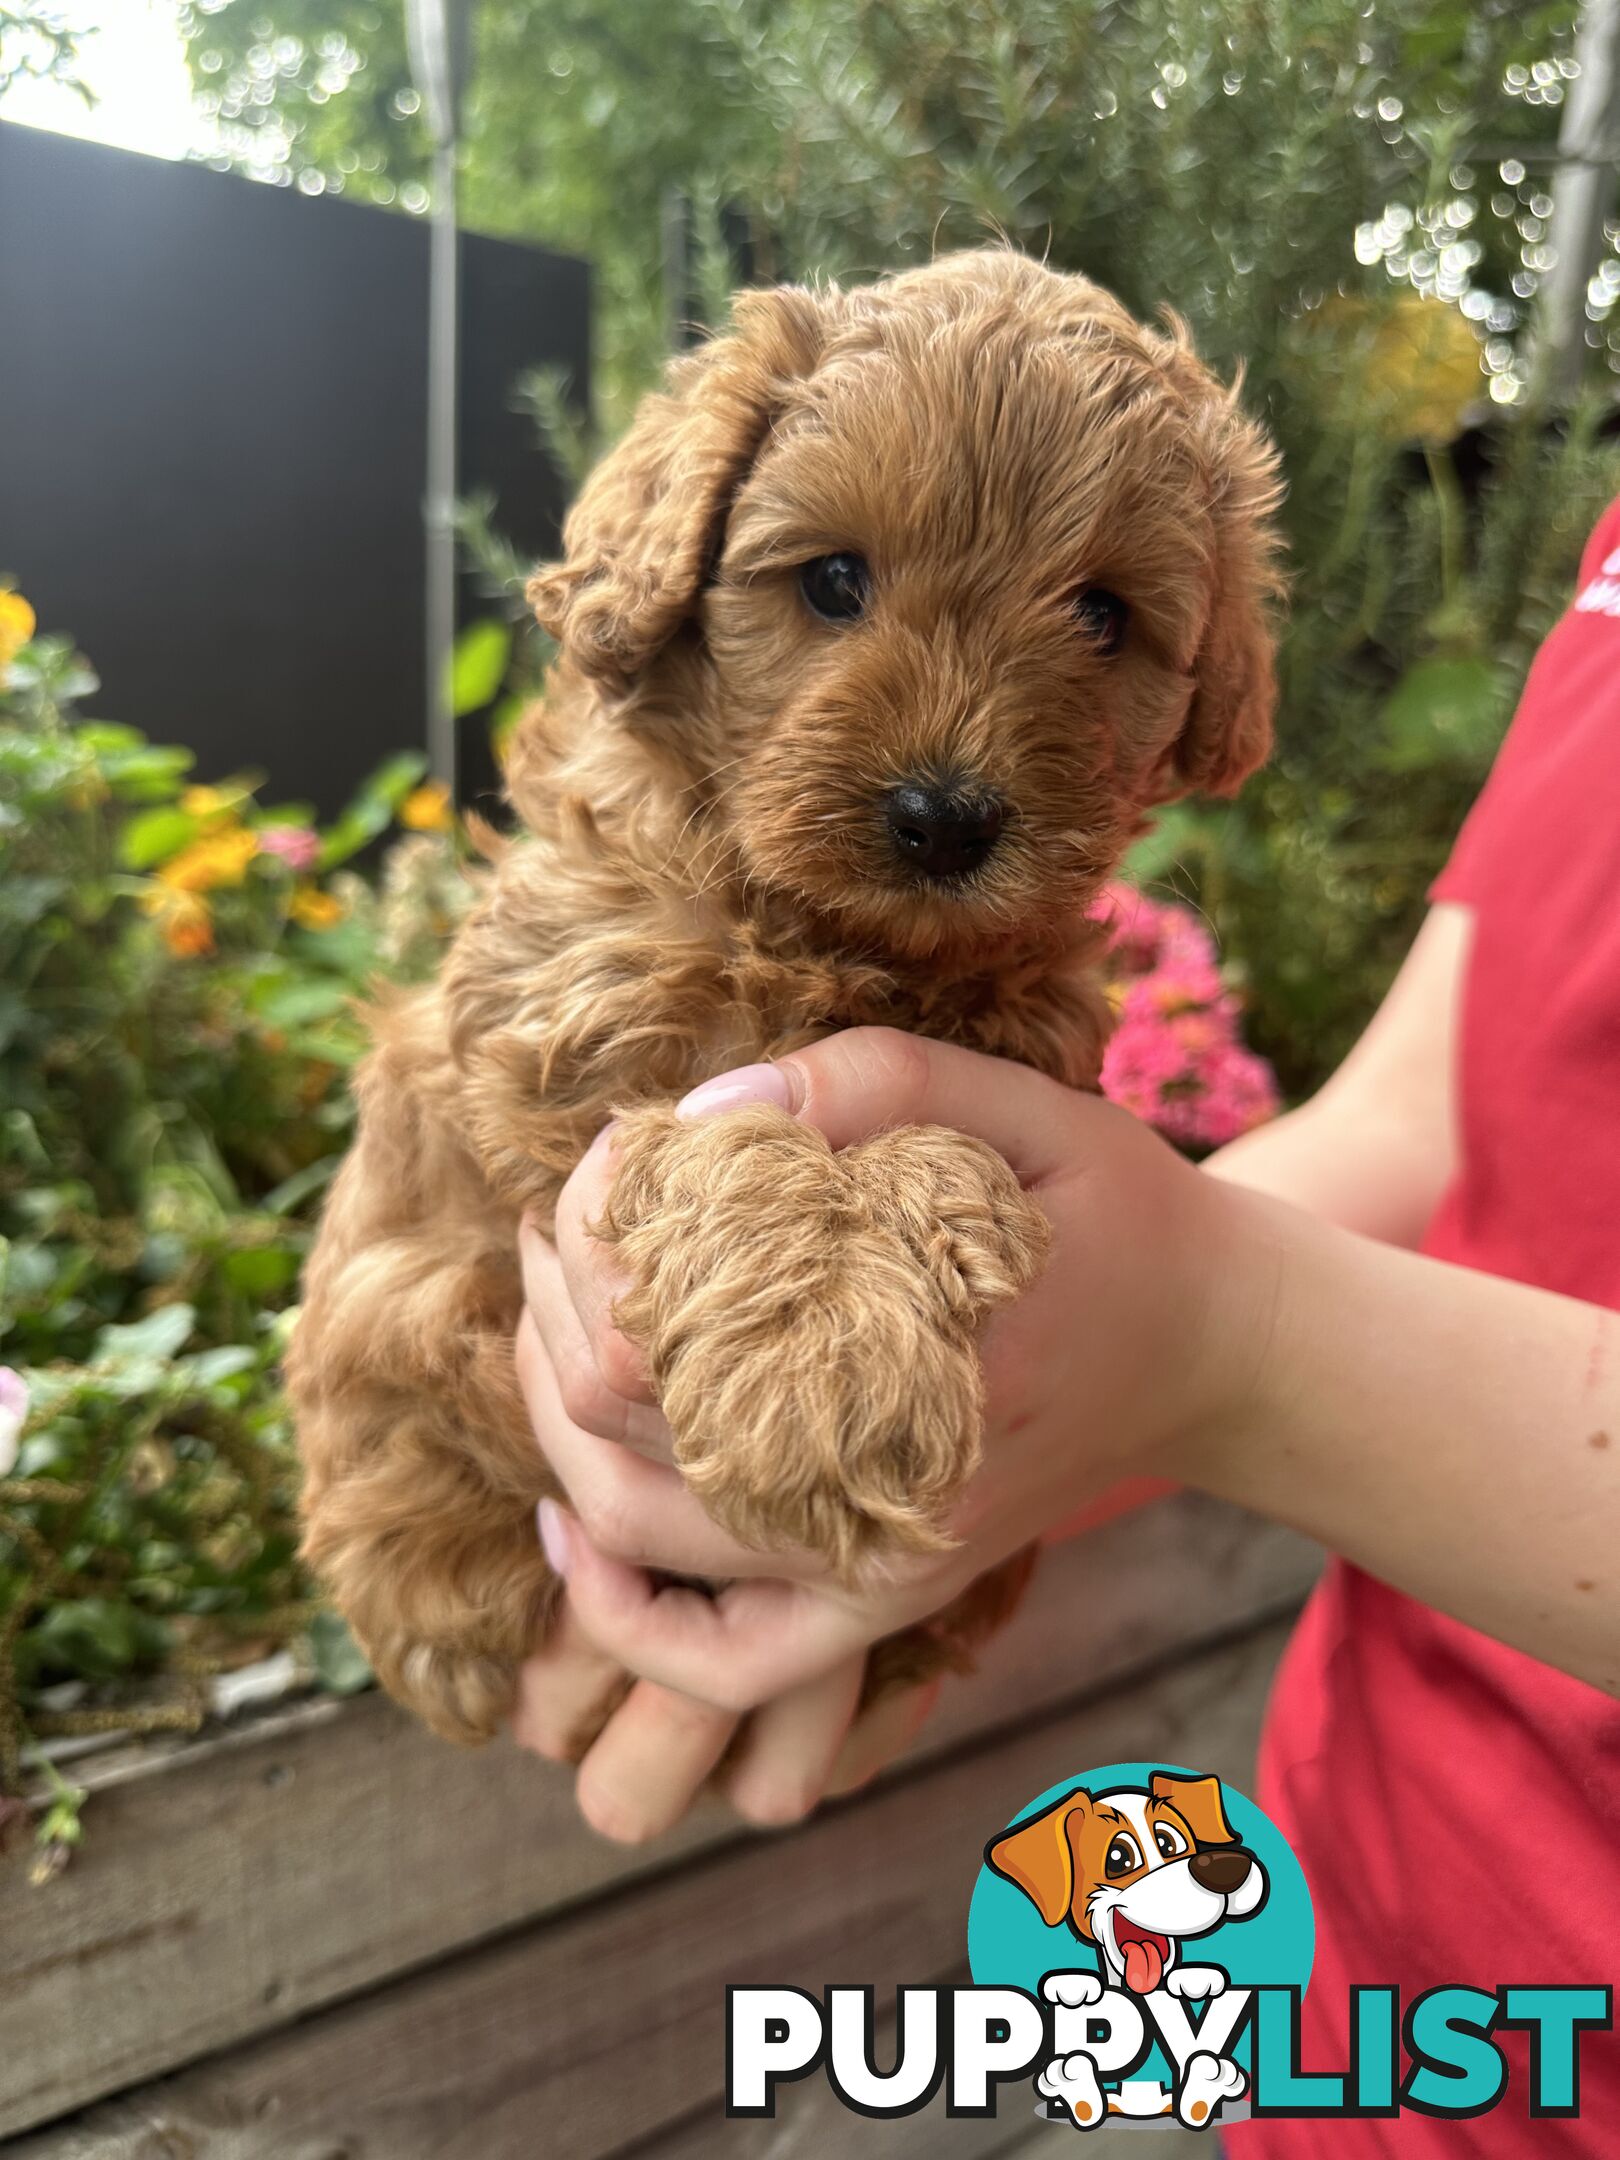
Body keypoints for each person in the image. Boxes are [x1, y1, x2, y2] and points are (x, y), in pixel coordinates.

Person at [510, 501, 1620, 2152]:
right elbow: (1432, 1116)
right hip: (1363, 1998)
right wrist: (991, 1418)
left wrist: (1218, 1350)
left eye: (1100, 618)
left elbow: (1230, 1325)